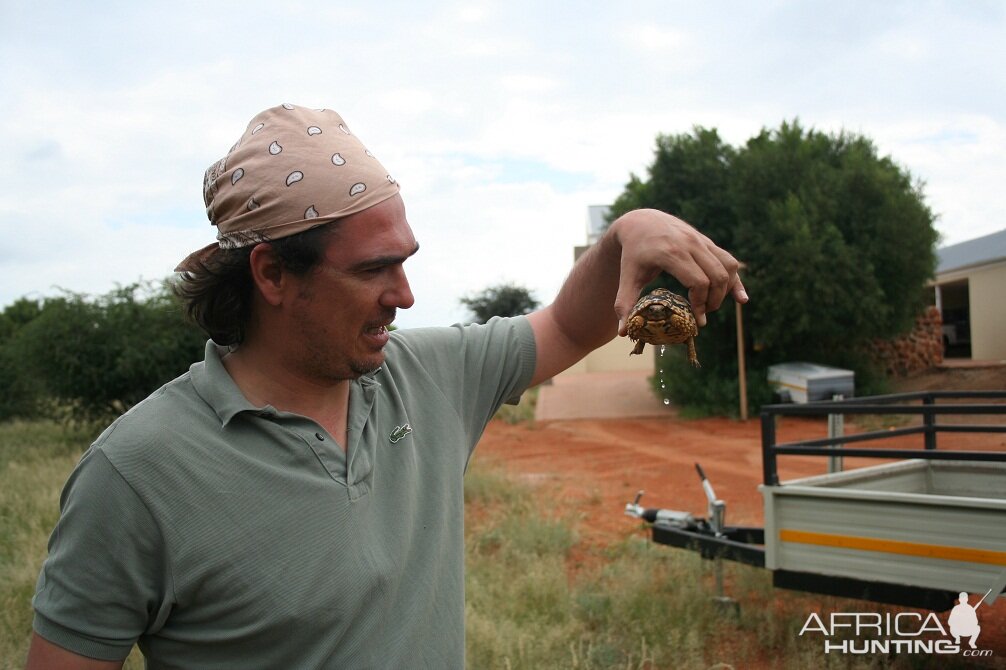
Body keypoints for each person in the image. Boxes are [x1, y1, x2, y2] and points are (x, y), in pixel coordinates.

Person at [26, 104, 746, 669]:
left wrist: (626, 232)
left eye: (405, 262)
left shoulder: (427, 377)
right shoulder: (137, 473)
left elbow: (564, 325)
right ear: (273, 274)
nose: (404, 295)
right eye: (374, 269)